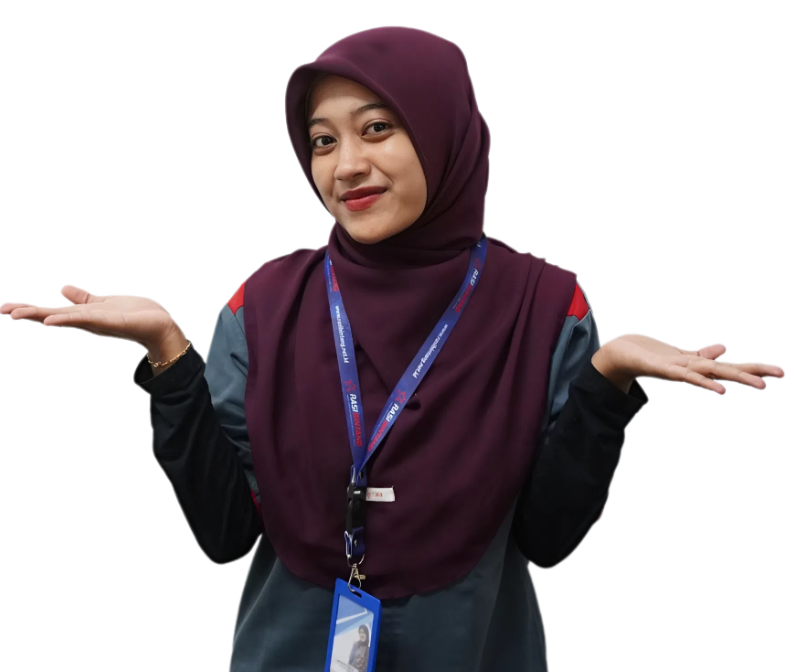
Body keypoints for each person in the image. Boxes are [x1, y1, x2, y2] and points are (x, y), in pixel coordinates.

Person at [0, 25, 784, 671]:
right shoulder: (263, 304)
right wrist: (168, 353)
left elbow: (548, 540)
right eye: (322, 140)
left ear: (444, 132)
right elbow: (224, 534)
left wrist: (604, 385)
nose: (346, 166)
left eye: (378, 128)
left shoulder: (546, 307)